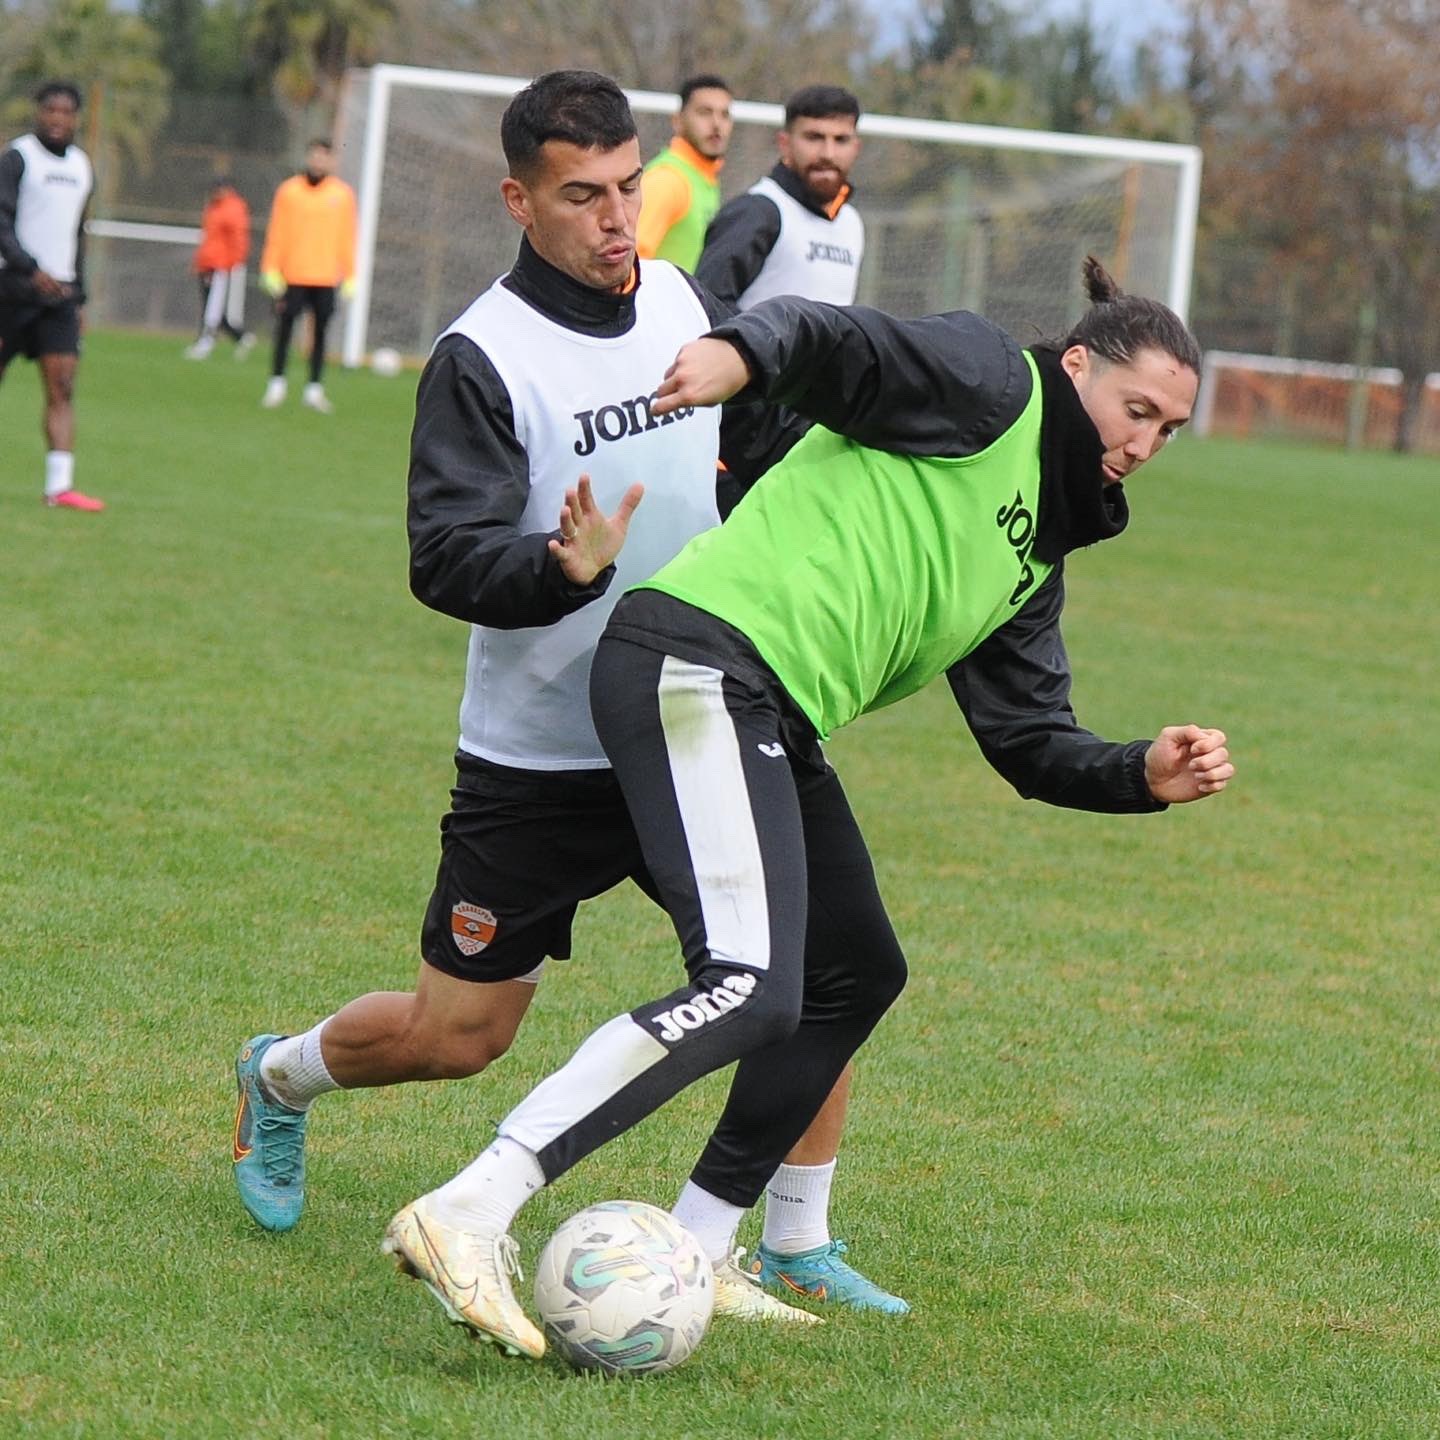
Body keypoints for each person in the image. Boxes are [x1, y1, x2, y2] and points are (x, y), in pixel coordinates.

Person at [385, 258, 1235, 1359]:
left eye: (1170, 430)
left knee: (852, 971)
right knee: (747, 983)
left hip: (765, 704)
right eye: (1138, 410)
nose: (1146, 444)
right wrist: (741, 353)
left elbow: (1027, 740)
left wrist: (1138, 773)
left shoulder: (1038, 552)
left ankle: (699, 1245)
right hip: (697, 661)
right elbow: (837, 343)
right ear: (1077, 366)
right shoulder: (994, 384)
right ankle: (470, 1205)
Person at [231, 71, 900, 1362]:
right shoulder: (483, 358)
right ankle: (280, 1076)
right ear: (518, 199)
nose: (615, 220)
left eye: (627, 188)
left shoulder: (681, 300)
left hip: (704, 711)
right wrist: (559, 568)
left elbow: (742, 440)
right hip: (542, 755)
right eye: (581, 196)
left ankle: (795, 1240)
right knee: (458, 1035)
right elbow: (444, 556)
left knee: (817, 967)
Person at [0, 82, 104, 512]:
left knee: (62, 387)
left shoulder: (82, 165)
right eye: (50, 110)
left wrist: (79, 295)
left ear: (77, 117)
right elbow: (1, 223)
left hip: (59, 296)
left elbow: (77, 234)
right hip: (11, 289)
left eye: (66, 112)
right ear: (38, 112)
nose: (57, 119)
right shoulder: (17, 158)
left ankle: (59, 488)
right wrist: (29, 268)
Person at [695, 83, 864, 310]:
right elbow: (705, 307)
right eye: (814, 137)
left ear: (856, 147)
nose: (828, 153)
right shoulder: (757, 212)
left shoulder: (851, 222)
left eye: (841, 140)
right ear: (785, 143)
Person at [258, 139, 356, 413]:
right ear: (307, 157)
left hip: (325, 277)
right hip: (293, 274)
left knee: (321, 333)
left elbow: (347, 237)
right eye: (315, 156)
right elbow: (277, 231)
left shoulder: (342, 194)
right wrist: (270, 268)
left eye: (324, 157)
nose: (318, 161)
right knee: (284, 330)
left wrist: (349, 274)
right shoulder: (289, 191)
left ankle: (314, 388)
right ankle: (276, 384)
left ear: (332, 161)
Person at [635, 74, 733, 271]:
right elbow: (632, 258)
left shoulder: (703, 177)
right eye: (705, 112)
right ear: (677, 121)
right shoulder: (668, 180)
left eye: (724, 114)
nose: (716, 124)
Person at [185, 177, 254, 360]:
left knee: (212, 307)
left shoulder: (233, 208)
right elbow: (208, 238)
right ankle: (241, 337)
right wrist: (198, 262)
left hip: (219, 265)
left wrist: (233, 261)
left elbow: (239, 238)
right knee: (210, 305)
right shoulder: (213, 207)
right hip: (207, 263)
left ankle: (206, 341)